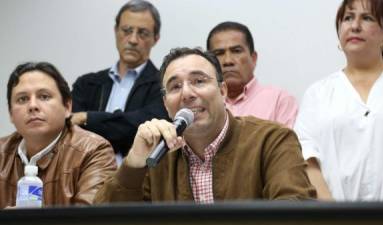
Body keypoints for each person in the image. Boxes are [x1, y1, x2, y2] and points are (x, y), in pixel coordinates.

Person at [94, 47, 316, 203]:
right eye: (175, 87)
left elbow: (294, 210)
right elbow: (107, 219)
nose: (187, 94)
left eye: (199, 81)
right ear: (165, 104)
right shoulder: (157, 156)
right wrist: (133, 165)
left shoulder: (272, 139)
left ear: (222, 92)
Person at [294, 0, 383, 201]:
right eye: (348, 18)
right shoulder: (318, 93)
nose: (354, 26)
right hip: (334, 217)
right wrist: (334, 213)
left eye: (367, 18)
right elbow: (306, 159)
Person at [0, 62, 117, 208]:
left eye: (44, 96)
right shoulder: (2, 153)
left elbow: (89, 220)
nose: (32, 106)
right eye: (22, 99)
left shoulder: (94, 151)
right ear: (11, 113)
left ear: (67, 107)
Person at [71, 0, 168, 162]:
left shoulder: (164, 86)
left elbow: (142, 128)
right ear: (116, 31)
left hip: (140, 181)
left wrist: (87, 118)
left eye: (143, 33)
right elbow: (71, 132)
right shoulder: (87, 84)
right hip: (84, 177)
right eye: (127, 30)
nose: (133, 40)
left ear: (155, 38)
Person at [206, 22, 298, 127]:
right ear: (208, 62)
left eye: (236, 51)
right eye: (219, 53)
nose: (228, 61)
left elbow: (287, 143)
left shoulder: (280, 101)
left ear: (253, 58)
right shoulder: (200, 104)